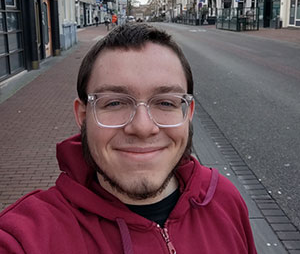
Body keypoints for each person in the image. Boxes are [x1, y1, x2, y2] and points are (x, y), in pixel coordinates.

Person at [0, 24, 257, 254]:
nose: (143, 127)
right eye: (114, 103)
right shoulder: (27, 237)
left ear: (187, 114)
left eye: (165, 102)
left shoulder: (225, 200)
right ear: (83, 115)